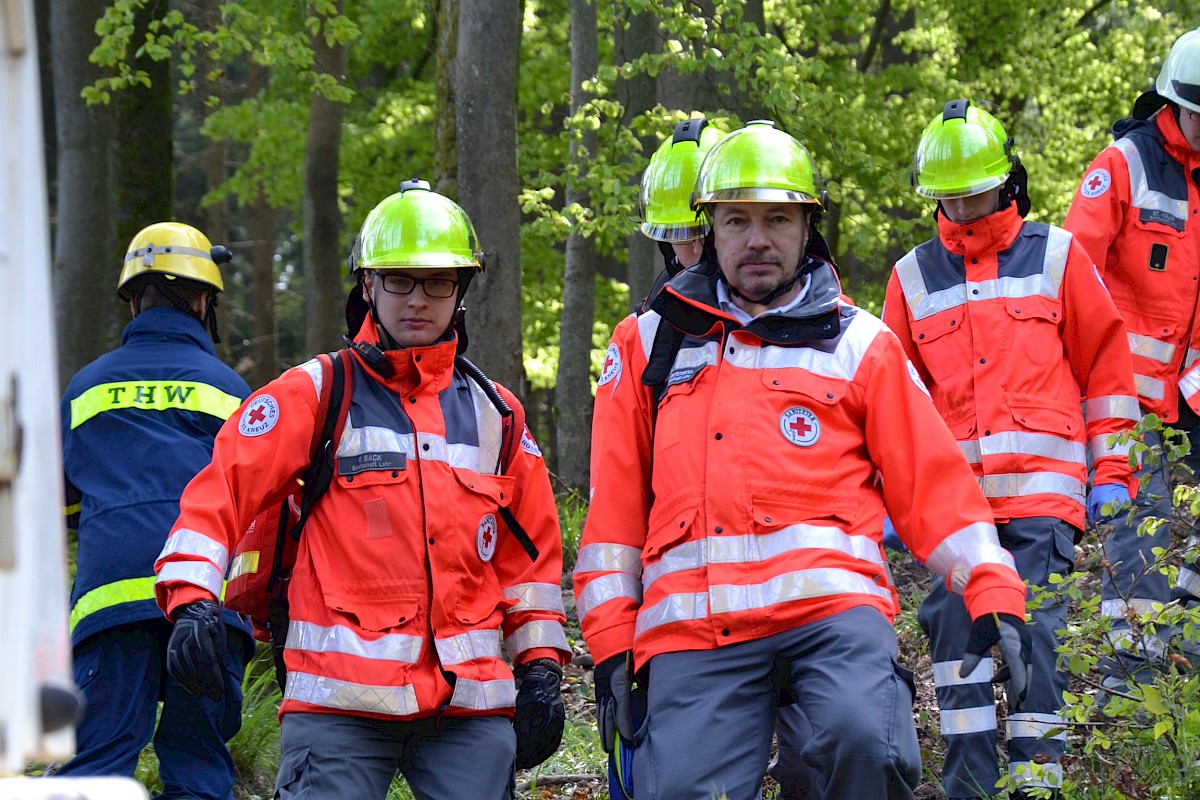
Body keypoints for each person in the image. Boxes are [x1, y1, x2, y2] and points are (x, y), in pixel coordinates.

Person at [574, 120, 1033, 800]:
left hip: (831, 615)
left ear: (807, 227)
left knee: (861, 745)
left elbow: (934, 490)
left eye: (777, 220)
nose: (757, 239)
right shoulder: (646, 346)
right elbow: (613, 515)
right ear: (708, 231)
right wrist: (613, 635)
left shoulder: (862, 344)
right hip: (694, 630)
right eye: (736, 220)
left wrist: (993, 590)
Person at [152, 181, 571, 800]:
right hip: (337, 703)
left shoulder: (497, 415)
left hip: (469, 705)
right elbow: (221, 494)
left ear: (461, 289)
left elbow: (528, 561)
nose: (418, 299)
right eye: (398, 280)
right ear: (367, 284)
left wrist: (540, 668)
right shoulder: (314, 393)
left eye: (437, 282)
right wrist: (191, 600)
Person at [883, 100, 1139, 798]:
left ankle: (1037, 784)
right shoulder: (910, 279)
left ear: (1008, 182)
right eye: (950, 195)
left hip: (1046, 495)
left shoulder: (1057, 256)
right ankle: (968, 783)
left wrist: (1111, 470)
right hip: (952, 509)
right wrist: (886, 494)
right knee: (951, 636)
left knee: (1040, 636)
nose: (964, 207)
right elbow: (890, 401)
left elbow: (1108, 374)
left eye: (976, 191)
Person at [55, 222, 255, 800]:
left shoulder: (84, 387)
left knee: (95, 766)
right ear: (202, 300)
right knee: (197, 768)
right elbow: (257, 501)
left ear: (133, 298)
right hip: (206, 605)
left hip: (109, 604)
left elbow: (58, 497)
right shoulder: (230, 389)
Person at [1061, 28, 1200, 689]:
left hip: (1197, 395)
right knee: (1138, 539)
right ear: (1173, 104)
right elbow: (1071, 278)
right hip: (1131, 396)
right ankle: (1131, 680)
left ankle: (1189, 656)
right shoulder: (1121, 166)